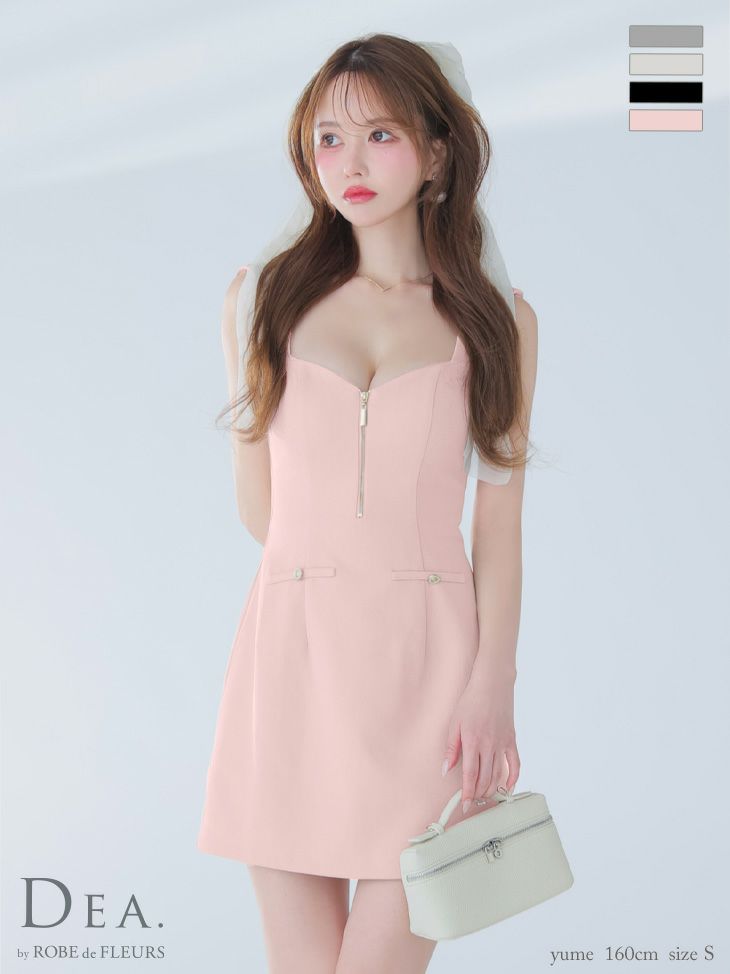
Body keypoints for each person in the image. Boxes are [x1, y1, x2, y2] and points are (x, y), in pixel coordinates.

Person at [198, 32, 538, 974]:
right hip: (292, 665)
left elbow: (499, 532)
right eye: (329, 138)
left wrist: (493, 687)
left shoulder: (496, 322)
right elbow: (262, 514)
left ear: (437, 153)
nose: (348, 162)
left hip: (431, 677)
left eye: (380, 135)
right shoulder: (261, 301)